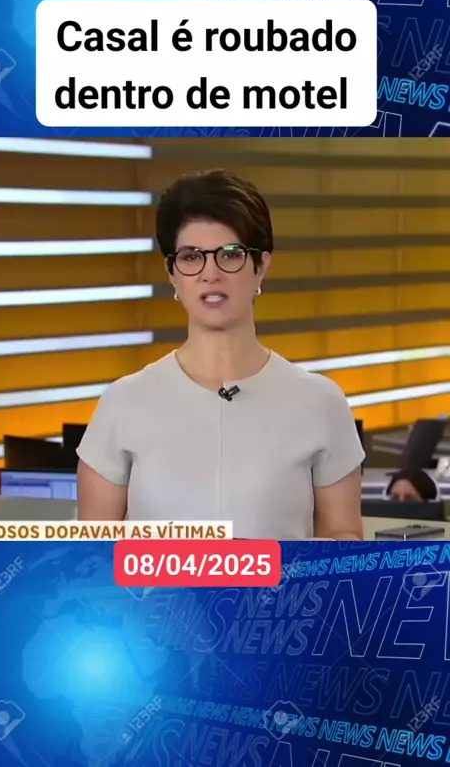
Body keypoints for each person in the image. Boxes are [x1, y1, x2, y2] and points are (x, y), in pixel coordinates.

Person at [77, 169, 365, 540]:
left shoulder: (320, 402)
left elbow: (343, 541)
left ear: (261, 266)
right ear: (172, 273)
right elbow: (92, 556)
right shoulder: (124, 402)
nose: (210, 273)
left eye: (231, 255)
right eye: (191, 257)